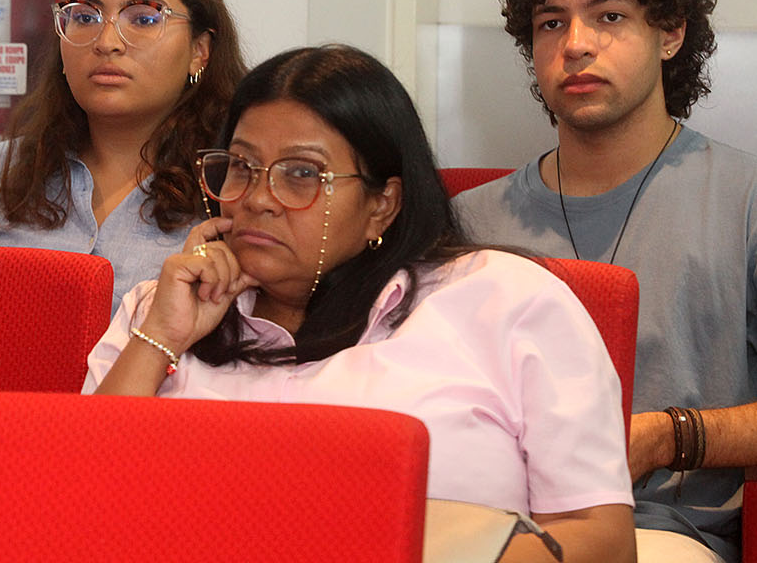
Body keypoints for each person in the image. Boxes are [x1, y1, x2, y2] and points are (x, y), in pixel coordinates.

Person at [88, 45, 635, 562]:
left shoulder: (505, 301)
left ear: (381, 205)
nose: (257, 199)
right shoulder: (163, 307)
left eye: (302, 174)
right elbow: (81, 504)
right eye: (241, 166)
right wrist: (160, 339)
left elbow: (602, 539)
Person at [454, 0, 757, 563]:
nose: (576, 44)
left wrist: (670, 437)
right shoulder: (468, 223)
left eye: (609, 16)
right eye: (551, 23)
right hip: (489, 525)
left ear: (670, 33)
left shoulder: (744, 199)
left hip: (659, 533)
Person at [0, 0, 245, 308]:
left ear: (200, 50)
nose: (106, 42)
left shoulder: (230, 187)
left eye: (144, 19)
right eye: (84, 17)